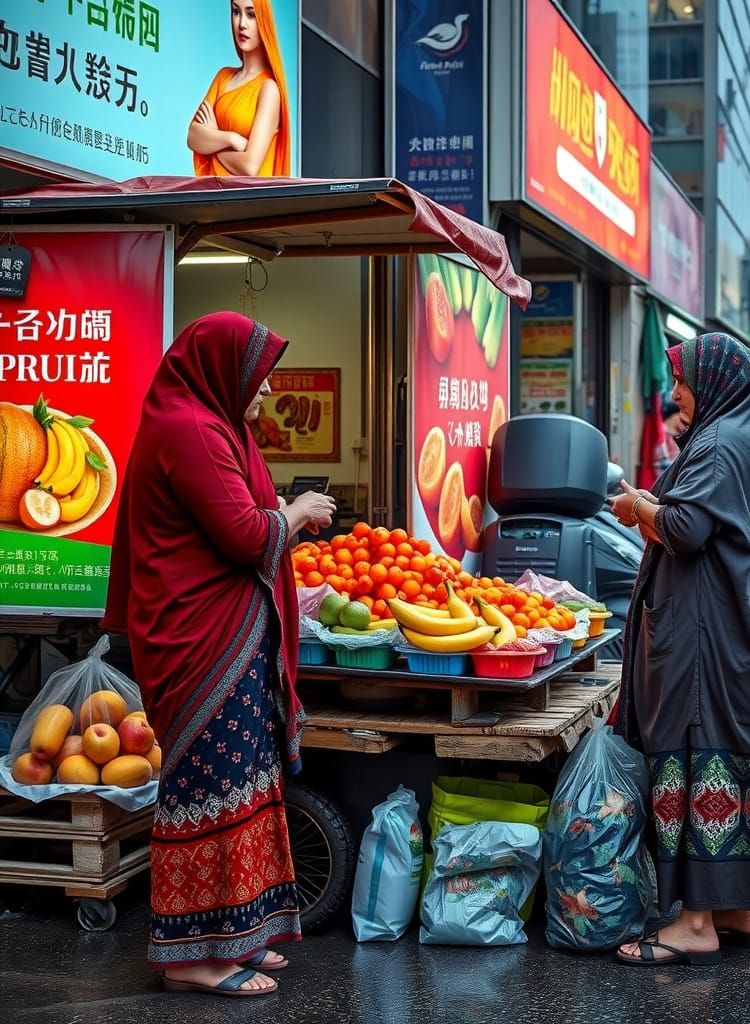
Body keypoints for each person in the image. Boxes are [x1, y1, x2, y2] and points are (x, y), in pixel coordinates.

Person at [102, 313, 336, 996]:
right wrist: (295, 513)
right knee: (207, 787)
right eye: (257, 376)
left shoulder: (217, 424)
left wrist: (295, 581)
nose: (264, 390)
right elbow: (241, 533)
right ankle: (190, 957)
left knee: (245, 783)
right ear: (222, 370)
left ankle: (240, 931)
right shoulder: (190, 429)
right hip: (197, 643)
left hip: (225, 635)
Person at [608, 333, 750, 965]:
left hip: (706, 640)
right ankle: (737, 909)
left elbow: (686, 529)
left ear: (713, 383)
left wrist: (638, 506)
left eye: (683, 381)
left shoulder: (718, 444)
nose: (675, 394)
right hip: (747, 632)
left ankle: (694, 923)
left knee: (697, 753)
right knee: (739, 750)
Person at [188, 0, 291, 177]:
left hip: (244, 202)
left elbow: (249, 166)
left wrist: (213, 143)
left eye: (251, 14)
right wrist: (231, 139)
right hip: (211, 196)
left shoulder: (268, 89)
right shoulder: (223, 77)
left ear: (264, 21)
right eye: (236, 12)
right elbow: (193, 136)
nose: (241, 24)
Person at [652, 399, 682, 476]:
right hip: (662, 477)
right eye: (680, 415)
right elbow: (659, 461)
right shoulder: (662, 433)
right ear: (674, 416)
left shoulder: (672, 433)